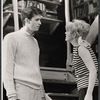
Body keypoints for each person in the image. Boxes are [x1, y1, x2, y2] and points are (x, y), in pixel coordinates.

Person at [3, 6, 46, 100]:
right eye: (37, 20)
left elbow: (36, 67)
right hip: (22, 88)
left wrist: (43, 92)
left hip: (38, 90)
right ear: (27, 20)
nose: (40, 23)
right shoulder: (11, 38)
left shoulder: (35, 41)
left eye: (40, 20)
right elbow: (7, 68)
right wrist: (11, 94)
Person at [65, 19, 98, 100]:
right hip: (84, 87)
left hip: (88, 87)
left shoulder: (81, 49)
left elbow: (93, 70)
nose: (65, 33)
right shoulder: (78, 48)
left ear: (73, 35)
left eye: (67, 31)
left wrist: (89, 93)